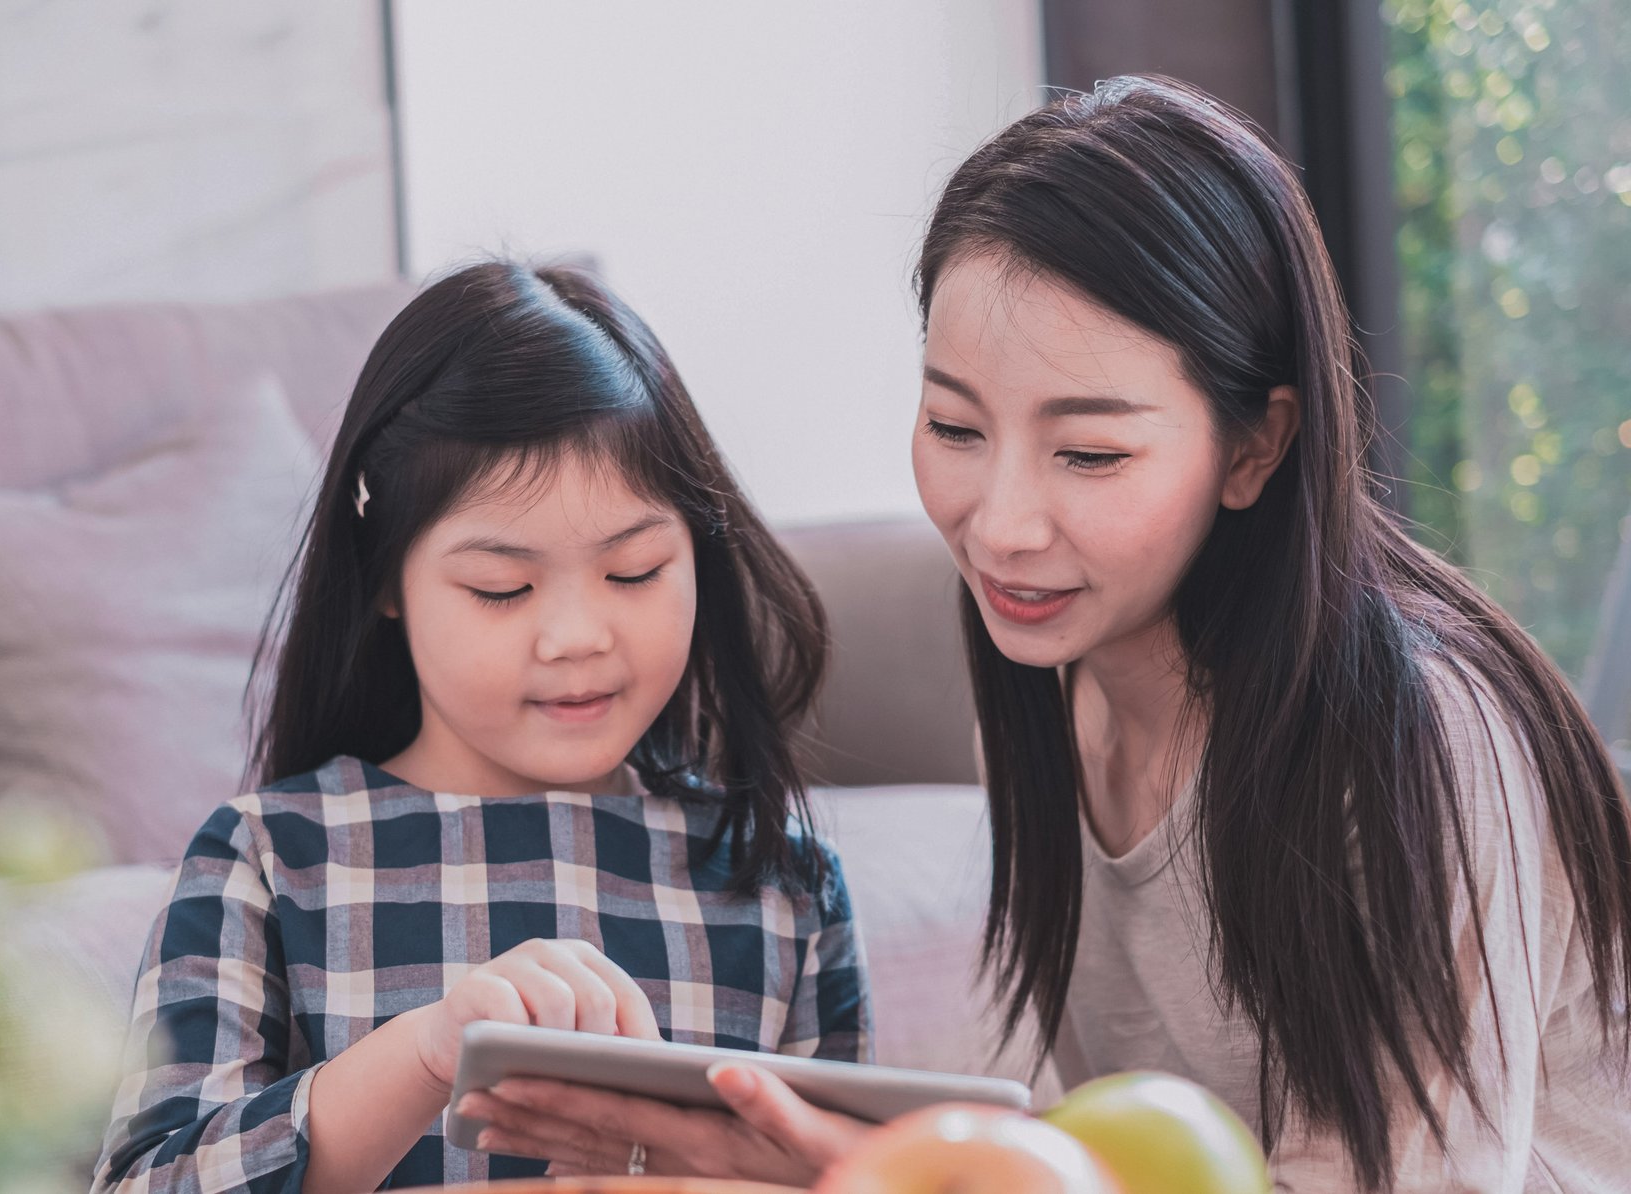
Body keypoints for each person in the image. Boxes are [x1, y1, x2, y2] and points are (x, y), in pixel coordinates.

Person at [460, 76, 1631, 1191]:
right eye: (955, 426)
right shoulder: (1058, 692)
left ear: (1256, 446)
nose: (1001, 527)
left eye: (1091, 453)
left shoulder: (1416, 736)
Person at [89, 260, 871, 1192]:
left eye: (634, 573)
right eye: (502, 588)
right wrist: (422, 1054)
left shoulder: (780, 881)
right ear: (386, 580)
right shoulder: (272, 857)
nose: (579, 638)